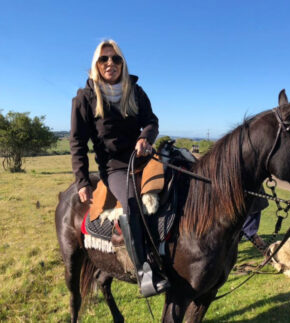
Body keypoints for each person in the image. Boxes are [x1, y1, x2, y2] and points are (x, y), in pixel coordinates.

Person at [70, 39, 169, 297]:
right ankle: (144, 271)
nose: (110, 63)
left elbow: (151, 121)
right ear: (96, 64)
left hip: (143, 156)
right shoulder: (85, 98)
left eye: (115, 58)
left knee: (176, 184)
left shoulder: (135, 91)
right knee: (131, 201)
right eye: (104, 59)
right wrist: (82, 181)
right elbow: (77, 143)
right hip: (113, 166)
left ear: (122, 63)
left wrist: (145, 137)